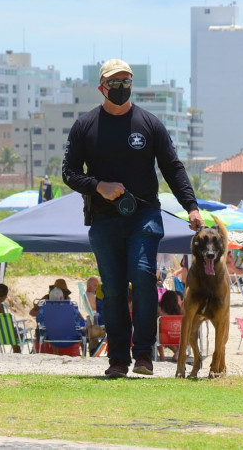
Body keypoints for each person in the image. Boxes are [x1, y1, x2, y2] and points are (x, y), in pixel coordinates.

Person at [63, 58, 203, 378]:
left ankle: (143, 355)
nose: (122, 88)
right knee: (112, 289)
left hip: (145, 216)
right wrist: (99, 186)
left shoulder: (150, 124)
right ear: (102, 87)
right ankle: (117, 360)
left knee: (141, 277)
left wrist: (191, 207)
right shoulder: (86, 126)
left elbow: (173, 168)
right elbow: (68, 173)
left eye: (127, 81)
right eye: (115, 83)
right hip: (103, 219)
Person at [156, 290, 184, 361]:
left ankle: (162, 357)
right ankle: (177, 353)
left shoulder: (159, 308)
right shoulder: (177, 310)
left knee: (160, 336)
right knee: (179, 337)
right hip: (176, 335)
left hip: (162, 336)